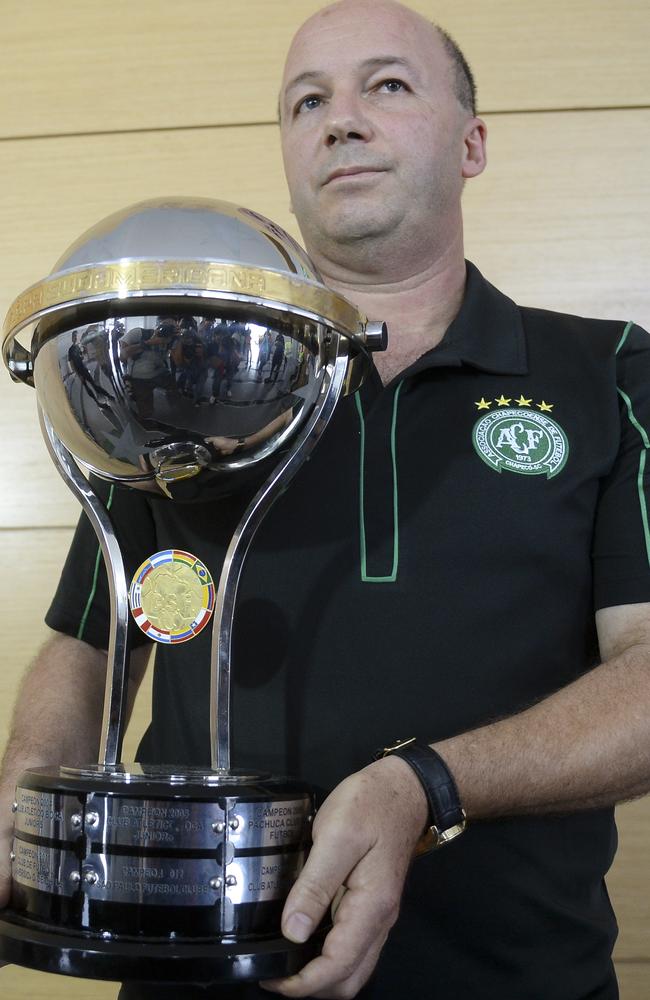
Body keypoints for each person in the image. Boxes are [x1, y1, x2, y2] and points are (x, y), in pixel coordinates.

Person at [2, 2, 650, 999]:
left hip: (516, 980)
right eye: (307, 101)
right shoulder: (178, 370)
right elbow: (91, 642)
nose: (339, 120)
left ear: (471, 143)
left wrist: (425, 786)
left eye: (385, 86)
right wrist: (23, 800)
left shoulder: (607, 372)